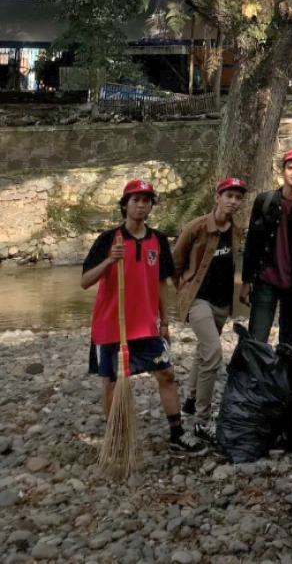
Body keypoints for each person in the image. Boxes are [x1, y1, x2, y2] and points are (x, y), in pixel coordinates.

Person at [82, 180, 205, 456]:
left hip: (147, 325)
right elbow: (85, 281)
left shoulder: (158, 239)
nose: (141, 205)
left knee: (167, 373)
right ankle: (116, 435)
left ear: (151, 206)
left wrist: (164, 321)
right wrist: (109, 261)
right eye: (135, 199)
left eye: (146, 200)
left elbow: (162, 282)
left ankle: (176, 435)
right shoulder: (108, 239)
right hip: (111, 325)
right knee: (112, 381)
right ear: (125, 204)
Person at [173, 177, 247, 444]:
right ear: (217, 197)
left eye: (238, 197)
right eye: (228, 195)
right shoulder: (196, 227)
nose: (233, 201)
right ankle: (201, 423)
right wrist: (184, 292)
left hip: (221, 303)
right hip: (198, 300)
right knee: (214, 353)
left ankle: (191, 400)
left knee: (204, 351)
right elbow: (175, 263)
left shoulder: (236, 228)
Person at [241, 149, 292, 347]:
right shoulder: (265, 201)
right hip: (265, 279)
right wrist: (246, 281)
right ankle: (254, 376)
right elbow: (252, 243)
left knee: (288, 340)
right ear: (282, 171)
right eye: (290, 168)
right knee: (256, 338)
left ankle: (286, 376)